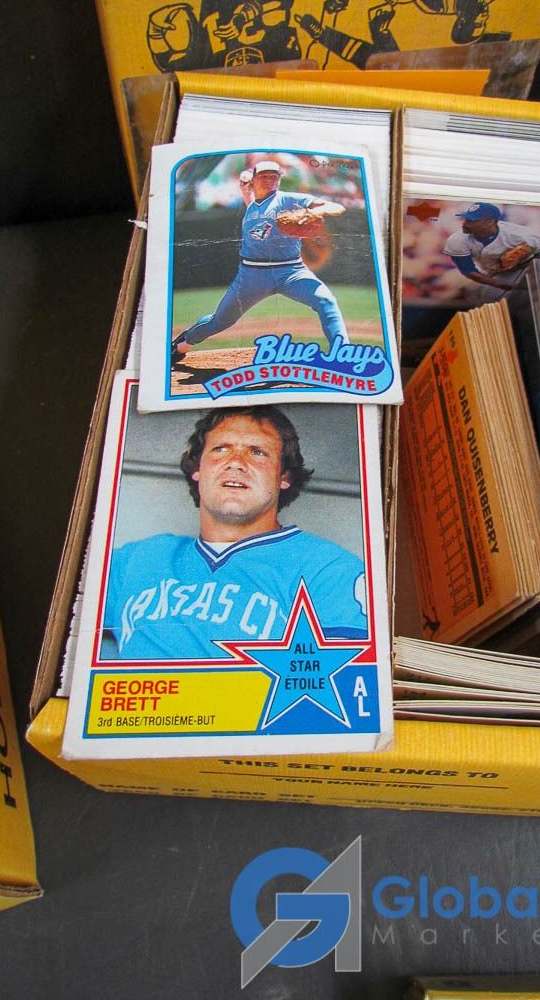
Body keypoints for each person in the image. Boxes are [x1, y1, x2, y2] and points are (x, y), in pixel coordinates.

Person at [100, 406, 368, 661]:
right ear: (198, 470)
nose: (236, 463)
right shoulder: (137, 560)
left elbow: (341, 682)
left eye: (257, 452)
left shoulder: (328, 569)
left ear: (283, 477)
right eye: (221, 449)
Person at [172, 160, 348, 365]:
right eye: (264, 176)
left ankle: (343, 356)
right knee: (220, 321)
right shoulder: (252, 206)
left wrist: (313, 212)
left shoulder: (287, 200)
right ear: (255, 180)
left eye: (274, 176)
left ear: (279, 180)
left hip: (292, 272)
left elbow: (335, 206)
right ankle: (182, 344)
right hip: (252, 276)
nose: (269, 179)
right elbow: (251, 197)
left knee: (326, 301)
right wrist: (246, 187)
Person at [443, 202, 540, 293]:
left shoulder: (518, 235)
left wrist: (539, 272)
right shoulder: (457, 240)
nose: (465, 224)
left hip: (525, 266)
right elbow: (469, 271)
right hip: (493, 274)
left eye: (472, 221)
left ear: (490, 222)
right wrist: (502, 284)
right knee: (489, 293)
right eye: (466, 219)